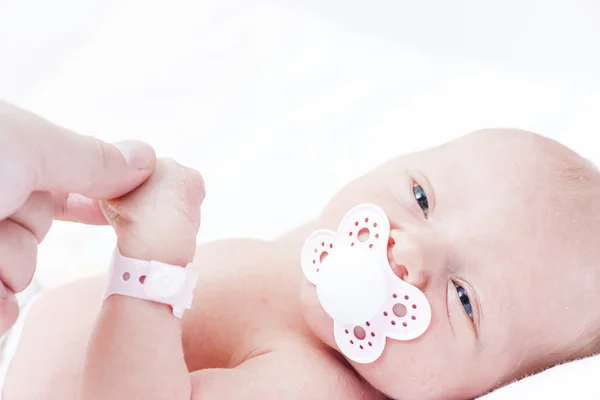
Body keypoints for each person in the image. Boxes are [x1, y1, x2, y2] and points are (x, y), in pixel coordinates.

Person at [2, 100, 600, 399]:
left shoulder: (312, 384)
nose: (407, 251)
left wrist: (151, 259)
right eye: (421, 196)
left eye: (465, 300)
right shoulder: (319, 267)